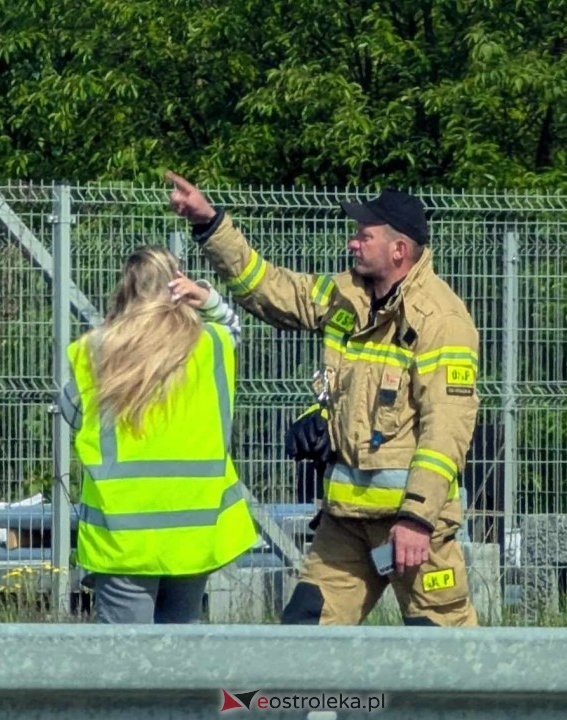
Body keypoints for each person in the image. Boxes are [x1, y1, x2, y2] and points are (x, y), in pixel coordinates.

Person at [166, 171, 482, 627]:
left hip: (412, 529)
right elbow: (268, 288)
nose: (353, 244)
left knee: (441, 649)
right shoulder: (344, 295)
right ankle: (305, 704)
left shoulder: (442, 320)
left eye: (364, 236)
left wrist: (417, 518)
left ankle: (491, 702)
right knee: (305, 632)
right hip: (346, 524)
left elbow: (446, 429)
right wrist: (211, 223)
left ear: (399, 250)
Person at [58, 245, 257, 624]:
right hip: (194, 529)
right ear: (179, 287)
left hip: (124, 533)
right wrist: (209, 297)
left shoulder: (97, 352)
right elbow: (233, 327)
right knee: (180, 656)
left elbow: (71, 410)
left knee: (125, 663)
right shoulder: (211, 345)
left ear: (125, 290)